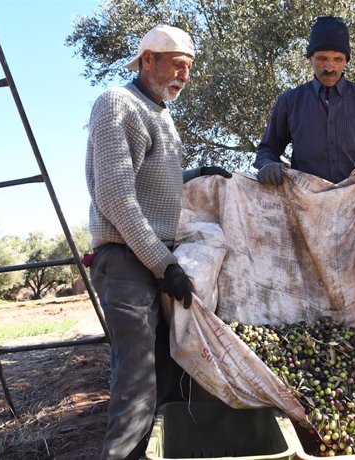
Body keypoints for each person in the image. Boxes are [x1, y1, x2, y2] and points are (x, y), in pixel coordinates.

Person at [84, 24, 231, 460]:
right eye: (179, 66)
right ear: (148, 60)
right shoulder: (117, 104)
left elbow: (155, 183)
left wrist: (196, 173)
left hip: (150, 259)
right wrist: (163, 264)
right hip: (127, 260)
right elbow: (115, 194)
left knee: (169, 375)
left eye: (189, 69)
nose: (183, 76)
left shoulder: (161, 114)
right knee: (137, 380)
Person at [254, 16, 355, 190]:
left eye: (338, 59)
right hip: (306, 205)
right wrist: (267, 165)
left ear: (346, 60)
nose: (329, 67)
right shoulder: (289, 102)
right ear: (310, 58)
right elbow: (267, 149)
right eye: (322, 58)